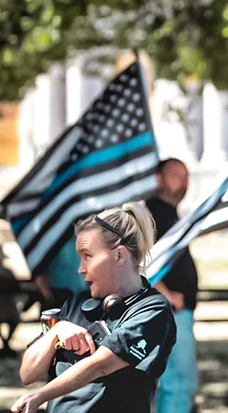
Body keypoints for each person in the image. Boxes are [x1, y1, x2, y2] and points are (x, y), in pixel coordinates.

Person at [12, 203, 176, 413]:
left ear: (119, 255)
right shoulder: (75, 304)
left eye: (87, 256)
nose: (80, 269)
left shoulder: (152, 310)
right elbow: (28, 374)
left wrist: (40, 395)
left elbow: (101, 365)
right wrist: (56, 332)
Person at [147, 158, 200, 413]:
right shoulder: (153, 213)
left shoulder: (168, 213)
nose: (183, 182)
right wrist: (165, 295)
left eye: (186, 175)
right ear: (158, 179)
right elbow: (141, 260)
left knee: (180, 384)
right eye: (175, 175)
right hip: (171, 313)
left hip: (178, 313)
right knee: (178, 384)